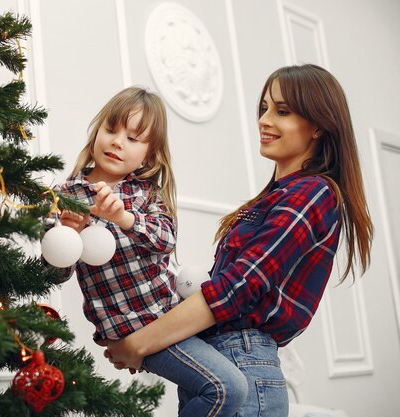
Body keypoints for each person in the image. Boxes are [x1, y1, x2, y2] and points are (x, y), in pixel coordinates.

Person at [104, 65, 374, 417]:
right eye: (263, 108)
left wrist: (139, 344)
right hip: (221, 365)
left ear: (318, 125)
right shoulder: (276, 197)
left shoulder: (314, 193)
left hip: (244, 369)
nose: (264, 120)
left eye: (282, 111)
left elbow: (239, 287)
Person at [55, 86, 248, 416]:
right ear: (97, 132)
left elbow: (164, 240)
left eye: (133, 138)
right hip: (135, 329)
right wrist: (69, 234)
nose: (117, 142)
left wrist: (123, 217)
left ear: (149, 155)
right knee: (226, 389)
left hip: (172, 315)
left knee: (208, 385)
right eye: (111, 130)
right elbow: (54, 272)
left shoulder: (146, 194)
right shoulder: (65, 195)